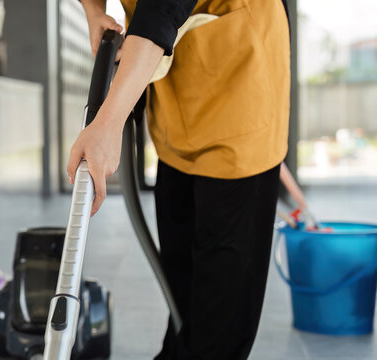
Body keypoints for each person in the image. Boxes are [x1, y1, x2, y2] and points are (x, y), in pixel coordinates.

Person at [67, 0, 290, 359]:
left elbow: (161, 7)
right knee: (181, 277)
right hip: (176, 89)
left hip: (239, 74)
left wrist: (108, 123)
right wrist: (94, 12)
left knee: (222, 303)